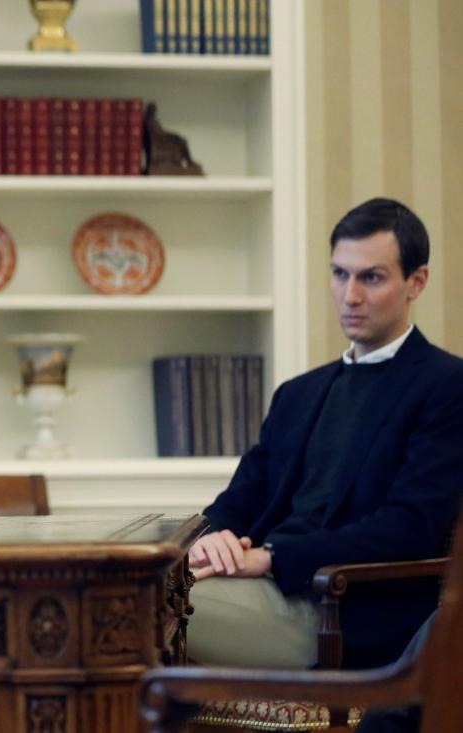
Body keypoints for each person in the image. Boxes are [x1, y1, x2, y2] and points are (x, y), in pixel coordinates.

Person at [185, 197, 463, 670]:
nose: (350, 295)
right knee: (130, 602)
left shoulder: (444, 385)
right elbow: (239, 501)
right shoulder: (298, 394)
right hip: (259, 590)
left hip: (342, 608)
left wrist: (273, 557)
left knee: (131, 616)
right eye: (339, 274)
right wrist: (212, 537)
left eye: (370, 277)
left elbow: (411, 528)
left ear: (417, 282)